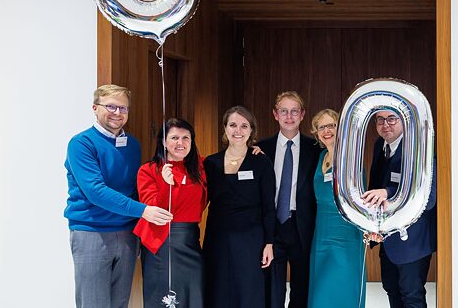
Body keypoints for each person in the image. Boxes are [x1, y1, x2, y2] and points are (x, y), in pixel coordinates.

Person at [65, 84, 173, 308]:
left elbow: (138, 185)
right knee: (93, 303)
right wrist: (143, 211)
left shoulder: (132, 144)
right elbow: (96, 192)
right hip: (92, 232)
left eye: (123, 108)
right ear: (95, 108)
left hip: (126, 234)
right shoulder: (81, 144)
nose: (117, 113)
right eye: (111, 106)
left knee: (120, 303)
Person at [362, 110, 437, 308]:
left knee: (412, 297)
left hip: (413, 241)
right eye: (380, 120)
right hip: (387, 240)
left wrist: (388, 192)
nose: (385, 124)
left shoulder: (420, 148)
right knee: (392, 290)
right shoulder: (380, 146)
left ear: (404, 121)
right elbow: (375, 188)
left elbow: (429, 198)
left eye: (391, 119)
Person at [203, 106, 277, 308]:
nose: (238, 130)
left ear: (251, 130)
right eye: (233, 125)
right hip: (218, 238)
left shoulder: (261, 161)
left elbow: (269, 206)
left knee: (248, 289)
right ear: (225, 129)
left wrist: (269, 243)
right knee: (218, 288)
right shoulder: (211, 163)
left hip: (251, 240)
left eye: (244, 126)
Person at [256, 91, 322, 308]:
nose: (289, 116)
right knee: (273, 288)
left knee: (301, 287)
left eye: (294, 111)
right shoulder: (260, 149)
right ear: (275, 114)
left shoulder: (316, 149)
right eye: (284, 111)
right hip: (272, 225)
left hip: (302, 225)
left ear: (302, 114)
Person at [134, 118, 207, 308]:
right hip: (161, 242)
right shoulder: (149, 170)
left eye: (186, 138)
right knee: (164, 300)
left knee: (194, 296)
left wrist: (252, 151)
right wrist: (166, 185)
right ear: (163, 142)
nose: (180, 143)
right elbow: (154, 211)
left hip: (190, 240)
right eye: (174, 137)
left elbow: (230, 159)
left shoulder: (201, 167)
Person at [308, 109, 366, 308]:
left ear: (340, 127)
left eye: (331, 125)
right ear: (316, 133)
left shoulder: (350, 158)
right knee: (320, 292)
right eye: (321, 127)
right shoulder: (321, 156)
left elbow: (362, 199)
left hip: (346, 233)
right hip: (322, 232)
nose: (326, 130)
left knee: (342, 289)